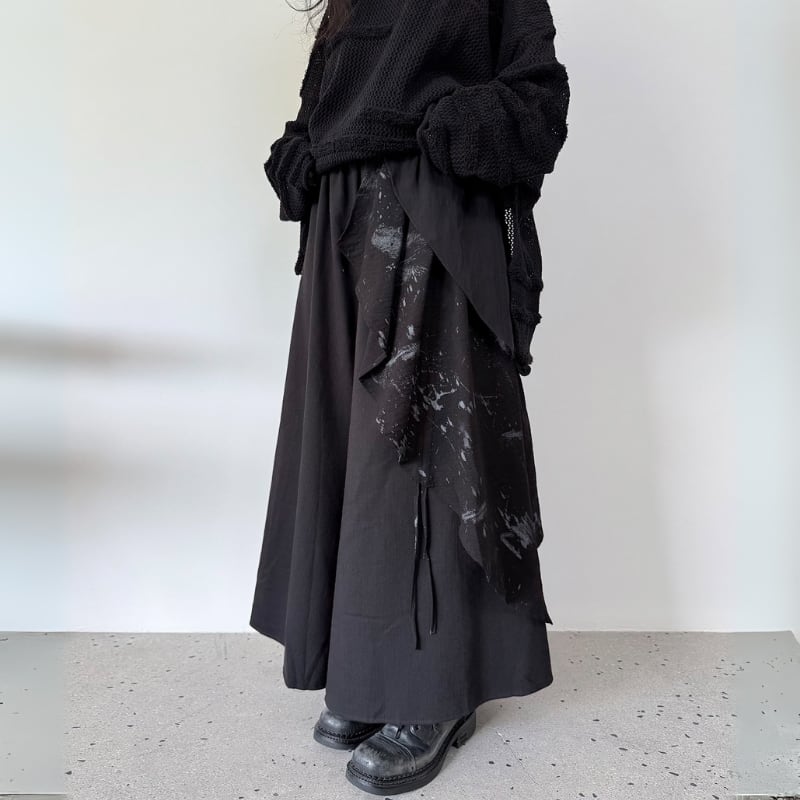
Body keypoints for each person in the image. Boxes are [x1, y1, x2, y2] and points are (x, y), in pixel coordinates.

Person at [249, 0, 570, 793]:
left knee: (418, 456)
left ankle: (434, 691)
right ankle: (365, 671)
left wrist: (446, 129)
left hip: (428, 206)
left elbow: (539, 100)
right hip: (341, 218)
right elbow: (327, 98)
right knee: (346, 449)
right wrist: (303, 148)